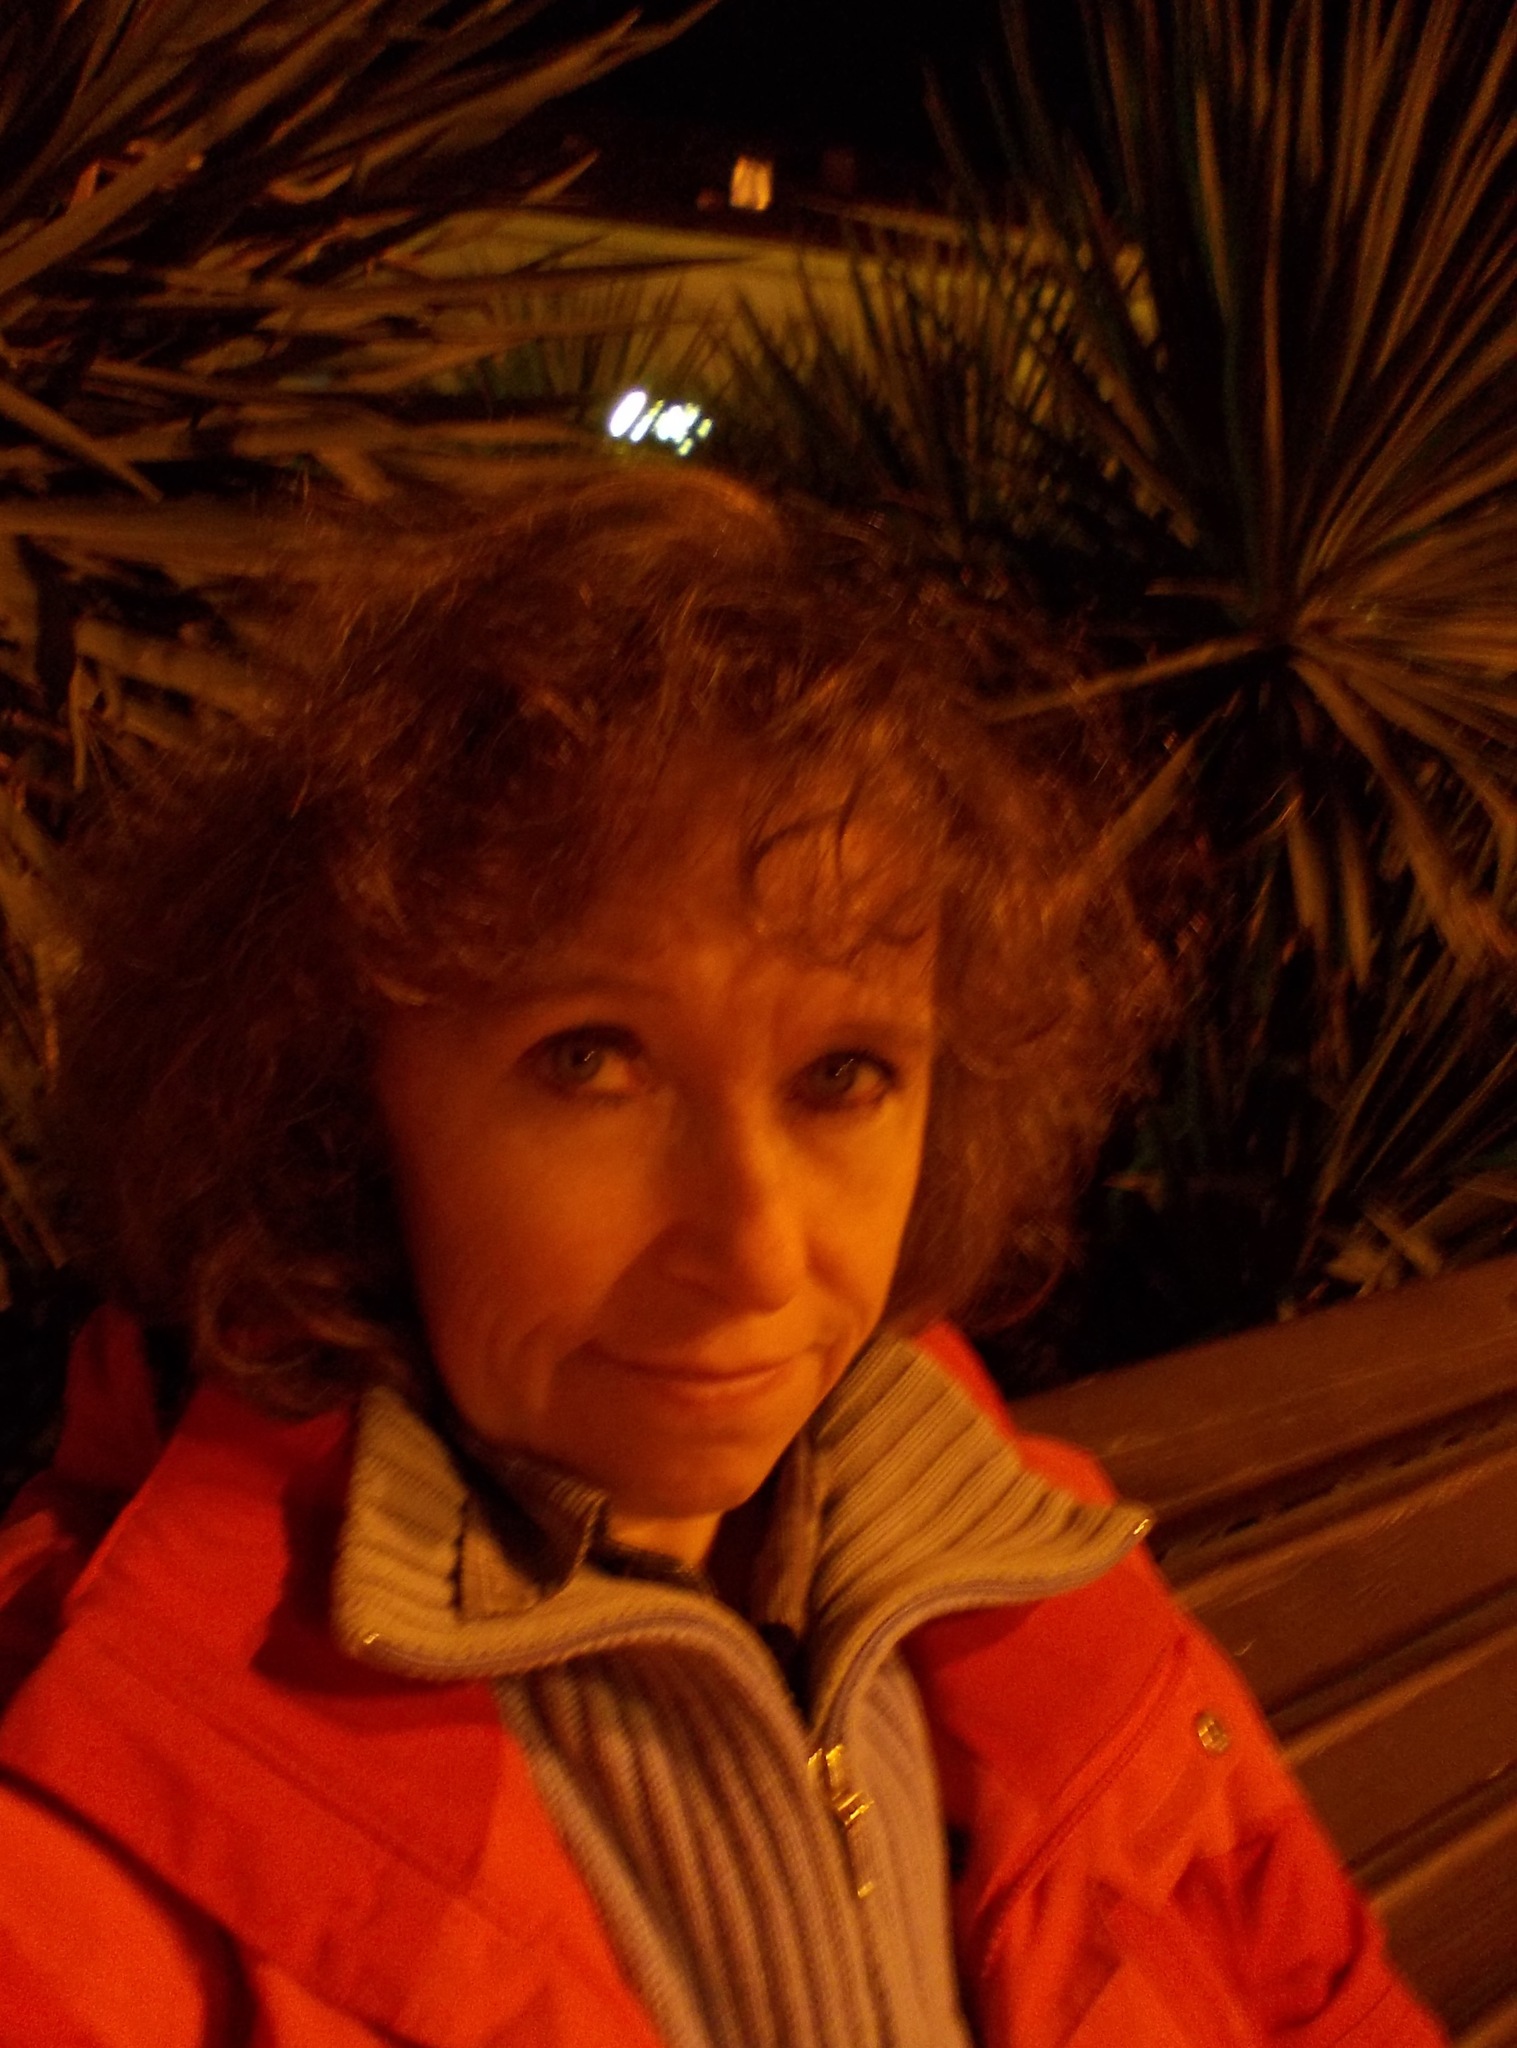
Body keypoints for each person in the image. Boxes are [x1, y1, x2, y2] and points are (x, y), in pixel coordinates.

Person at [0, 466, 1444, 2045]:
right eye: (591, 1063)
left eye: (843, 1075)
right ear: (339, 1096)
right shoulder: (97, 1794)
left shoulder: (1027, 1566)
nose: (756, 1250)